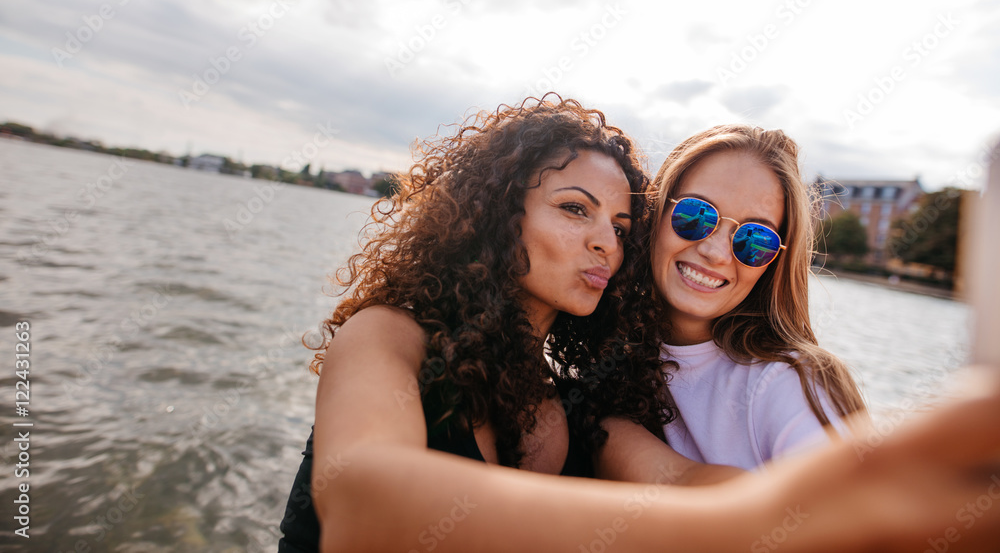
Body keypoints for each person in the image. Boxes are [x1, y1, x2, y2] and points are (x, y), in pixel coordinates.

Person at [277, 97, 1000, 553]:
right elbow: (363, 504)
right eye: (573, 207)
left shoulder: (568, 409)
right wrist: (775, 520)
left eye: (621, 223)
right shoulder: (385, 335)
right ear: (495, 213)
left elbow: (683, 479)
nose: (605, 241)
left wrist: (860, 502)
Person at [646, 125, 866, 469]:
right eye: (694, 214)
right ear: (654, 210)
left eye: (755, 239)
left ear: (774, 263)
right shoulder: (601, 347)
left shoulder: (784, 383)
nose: (715, 252)